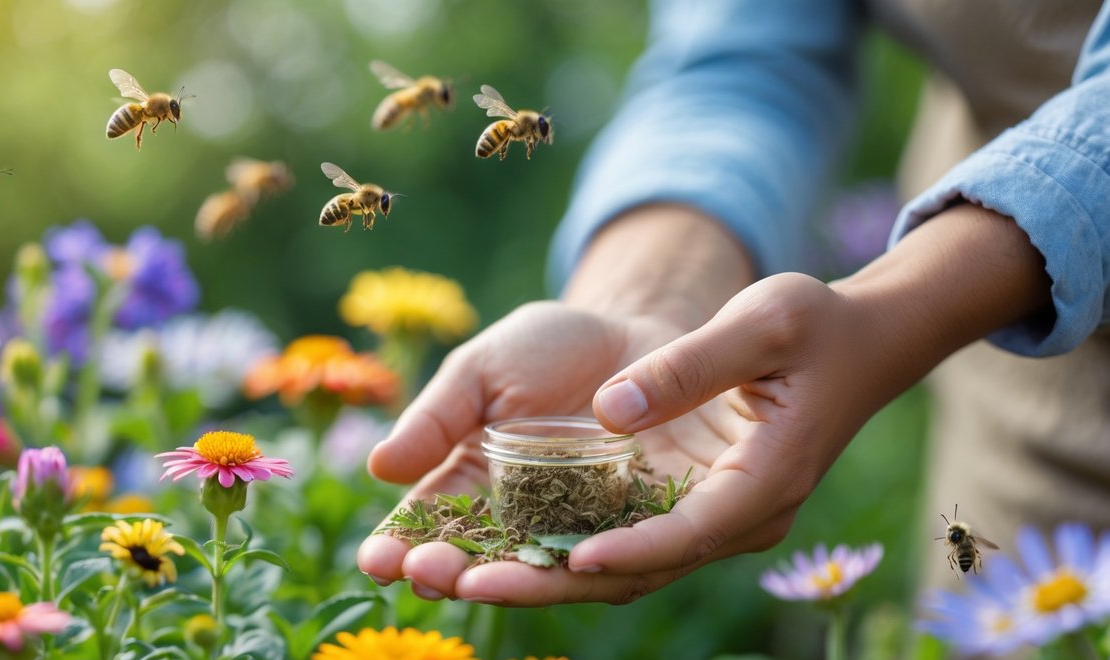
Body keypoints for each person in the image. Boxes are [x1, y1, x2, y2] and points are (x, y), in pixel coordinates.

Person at [358, 0, 1110, 606]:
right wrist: (647, 303)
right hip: (1025, 394)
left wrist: (893, 309)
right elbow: (740, 60)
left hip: (967, 288)